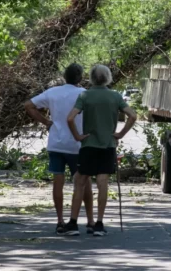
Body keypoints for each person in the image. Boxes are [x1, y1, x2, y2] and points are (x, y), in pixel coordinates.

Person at [62, 64, 138, 236]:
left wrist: (77, 136)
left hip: (88, 145)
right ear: (108, 78)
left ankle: (73, 223)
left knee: (80, 181)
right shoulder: (115, 96)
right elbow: (132, 115)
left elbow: (70, 118)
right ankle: (99, 224)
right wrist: (120, 134)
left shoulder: (85, 95)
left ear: (91, 78)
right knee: (102, 183)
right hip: (107, 145)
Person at [24, 63, 94, 234]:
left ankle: (60, 220)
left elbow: (28, 105)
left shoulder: (53, 92)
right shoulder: (84, 94)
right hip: (77, 144)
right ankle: (91, 220)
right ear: (80, 77)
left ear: (65, 76)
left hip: (56, 143)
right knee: (84, 183)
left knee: (58, 181)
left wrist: (46, 122)